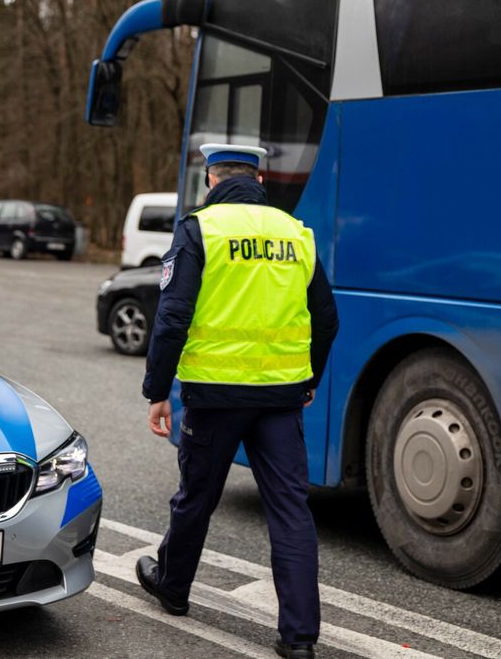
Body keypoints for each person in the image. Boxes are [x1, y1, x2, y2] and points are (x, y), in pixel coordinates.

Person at [136, 143, 339, 659]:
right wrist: (309, 377)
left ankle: (173, 587)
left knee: (196, 498)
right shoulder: (297, 234)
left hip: (214, 396)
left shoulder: (200, 228)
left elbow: (173, 316)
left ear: (211, 179)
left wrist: (158, 391)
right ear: (259, 179)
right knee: (291, 511)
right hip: (280, 398)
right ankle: (299, 639)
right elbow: (327, 318)